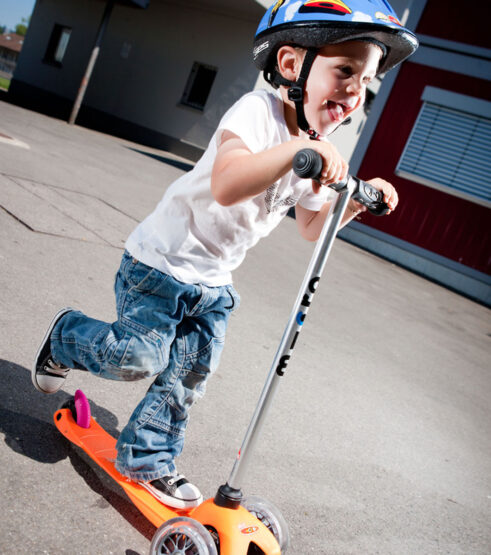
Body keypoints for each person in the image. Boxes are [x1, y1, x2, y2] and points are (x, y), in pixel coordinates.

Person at [32, 0, 417, 510]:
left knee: (188, 375)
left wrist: (356, 201)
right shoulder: (257, 113)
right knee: (138, 358)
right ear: (291, 65)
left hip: (215, 281)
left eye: (366, 81)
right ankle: (66, 336)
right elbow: (227, 183)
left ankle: (148, 458)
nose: (355, 91)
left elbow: (311, 227)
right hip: (160, 264)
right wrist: (297, 154)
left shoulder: (320, 146)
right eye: (345, 71)